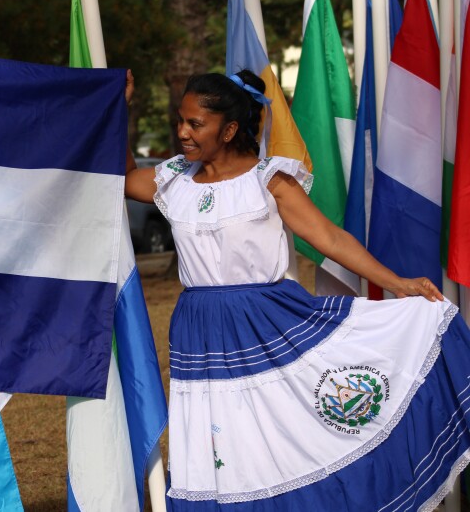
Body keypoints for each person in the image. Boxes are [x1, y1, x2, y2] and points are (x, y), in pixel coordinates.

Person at [124, 69, 470, 511]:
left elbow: (330, 238)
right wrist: (119, 104)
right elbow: (123, 177)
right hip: (200, 329)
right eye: (181, 120)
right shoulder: (173, 178)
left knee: (287, 430)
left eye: (195, 124)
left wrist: (396, 283)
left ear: (229, 130)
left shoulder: (268, 180)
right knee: (223, 437)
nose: (182, 132)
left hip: (269, 321)